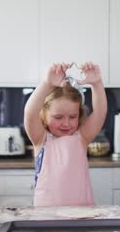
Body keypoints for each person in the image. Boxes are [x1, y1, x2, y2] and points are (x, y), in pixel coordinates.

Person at [24, 62, 107, 206]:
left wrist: (97, 84)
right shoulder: (41, 139)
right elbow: (30, 113)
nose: (66, 123)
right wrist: (46, 83)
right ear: (44, 114)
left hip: (82, 214)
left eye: (73, 117)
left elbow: (100, 113)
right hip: (46, 216)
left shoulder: (82, 137)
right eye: (58, 117)